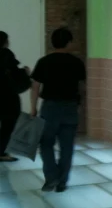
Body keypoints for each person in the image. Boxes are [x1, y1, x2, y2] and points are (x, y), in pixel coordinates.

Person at [30, 28, 86, 192]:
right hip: (70, 107)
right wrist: (79, 105)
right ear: (68, 42)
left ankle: (52, 177)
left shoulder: (44, 61)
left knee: (46, 143)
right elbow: (82, 87)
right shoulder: (77, 63)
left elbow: (35, 86)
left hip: (50, 107)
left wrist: (33, 108)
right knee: (67, 146)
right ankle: (62, 181)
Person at [0, 31, 30, 162]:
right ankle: (1, 152)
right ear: (5, 42)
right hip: (7, 98)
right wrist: (25, 72)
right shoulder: (6, 55)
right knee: (8, 126)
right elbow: (14, 72)